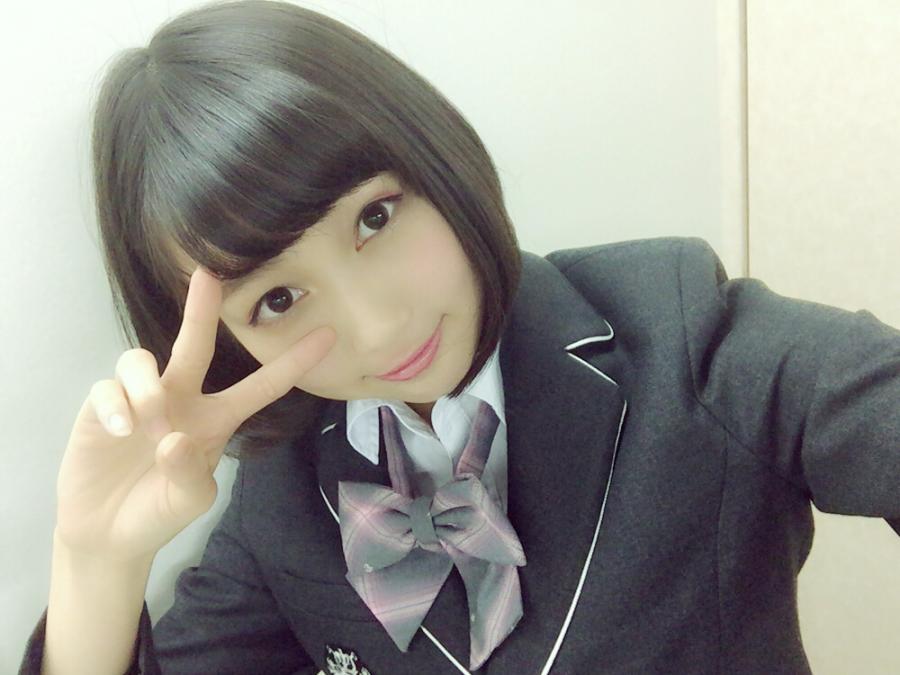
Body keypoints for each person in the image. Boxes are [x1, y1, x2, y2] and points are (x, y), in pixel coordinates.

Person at [19, 1, 900, 674]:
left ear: (431, 156)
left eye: (375, 217)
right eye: (278, 298)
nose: (377, 326)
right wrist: (95, 560)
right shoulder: (283, 494)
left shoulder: (682, 337)